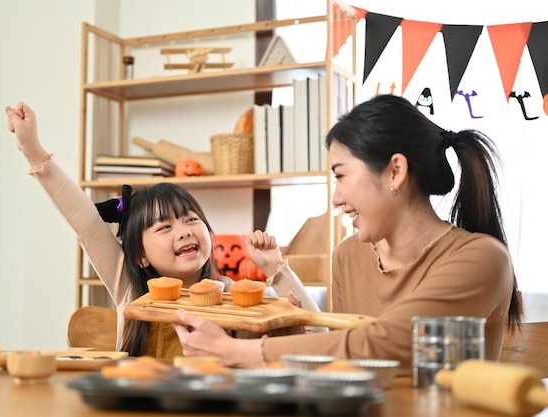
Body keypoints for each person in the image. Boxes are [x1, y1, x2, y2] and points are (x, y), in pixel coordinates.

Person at [173, 94, 523, 374]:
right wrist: (295, 336)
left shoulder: (480, 259)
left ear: (395, 171)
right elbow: (344, 364)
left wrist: (234, 351)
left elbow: (387, 343)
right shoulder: (348, 256)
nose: (336, 198)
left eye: (341, 176)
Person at [4, 101, 319, 360]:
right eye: (165, 226)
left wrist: (277, 270)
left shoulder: (238, 296)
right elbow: (84, 221)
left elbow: (320, 338)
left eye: (190, 220)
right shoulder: (132, 291)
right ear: (140, 256)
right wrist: (32, 149)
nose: (183, 231)